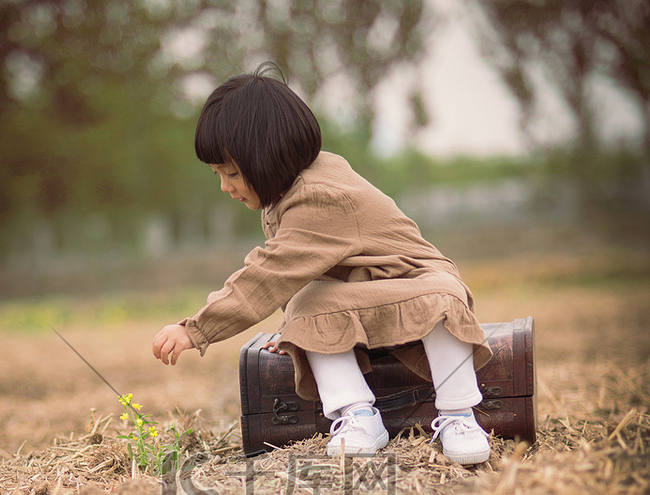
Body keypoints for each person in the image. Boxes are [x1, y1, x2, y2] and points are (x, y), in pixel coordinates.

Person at [152, 65, 493, 464]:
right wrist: (295, 331)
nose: (225, 187)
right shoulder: (289, 191)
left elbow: (267, 274)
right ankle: (357, 414)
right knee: (305, 306)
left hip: (417, 285)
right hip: (367, 299)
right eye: (218, 174)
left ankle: (458, 414)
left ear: (268, 159)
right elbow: (295, 274)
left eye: (231, 173)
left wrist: (197, 328)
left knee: (439, 297)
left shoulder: (318, 196)